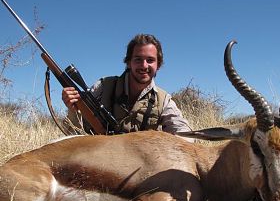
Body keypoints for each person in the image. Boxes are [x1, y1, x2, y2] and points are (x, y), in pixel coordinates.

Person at [62, 33, 192, 136]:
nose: (144, 65)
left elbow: (182, 131)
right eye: (138, 59)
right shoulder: (104, 86)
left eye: (150, 60)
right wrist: (73, 108)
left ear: (158, 65)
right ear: (129, 62)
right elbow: (71, 131)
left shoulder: (163, 100)